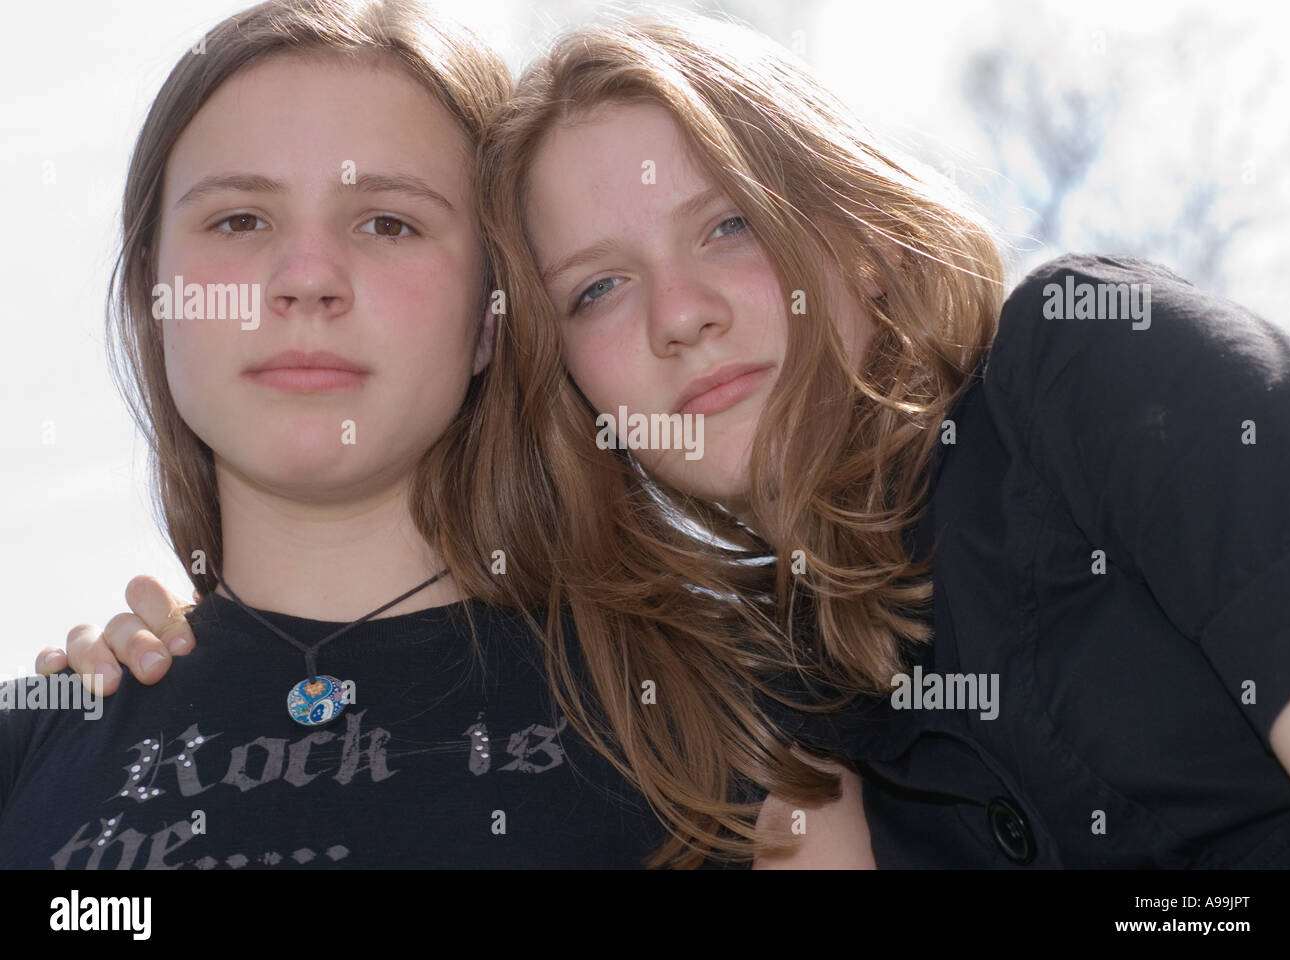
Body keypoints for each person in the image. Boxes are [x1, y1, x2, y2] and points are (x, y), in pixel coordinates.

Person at [48, 11, 1290, 867]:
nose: (681, 316)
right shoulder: (767, 686)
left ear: (857, 224)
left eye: (728, 227)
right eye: (594, 288)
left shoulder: (1089, 368)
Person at [5, 0, 870, 870]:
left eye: (389, 222)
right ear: (153, 303)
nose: (307, 280)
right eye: (239, 220)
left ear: (494, 318)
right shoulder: (34, 745)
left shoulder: (742, 723)